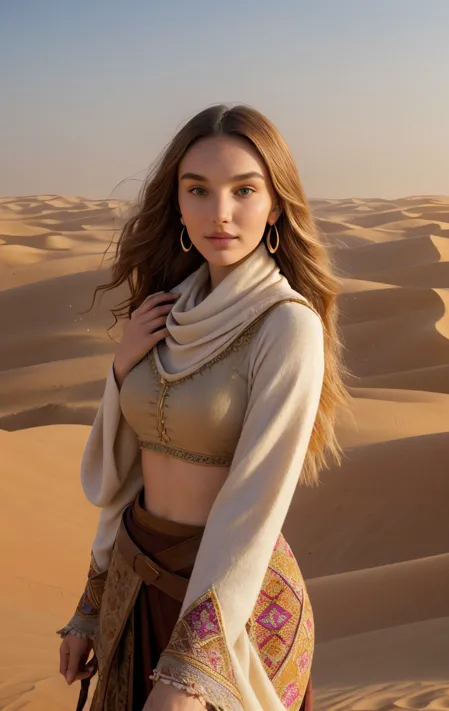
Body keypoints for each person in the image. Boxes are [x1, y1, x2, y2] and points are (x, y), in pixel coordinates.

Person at [57, 103, 348, 711]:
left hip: (230, 608)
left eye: (244, 190)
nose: (220, 213)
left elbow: (252, 506)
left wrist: (192, 670)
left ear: (275, 205)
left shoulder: (286, 326)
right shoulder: (165, 313)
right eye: (199, 190)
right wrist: (92, 600)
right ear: (178, 205)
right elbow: (123, 477)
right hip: (133, 584)